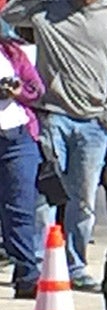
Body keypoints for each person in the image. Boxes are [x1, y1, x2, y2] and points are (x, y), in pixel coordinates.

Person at [2, 0, 107, 289]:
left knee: (83, 200)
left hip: (94, 123)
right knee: (45, 195)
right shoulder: (50, 11)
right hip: (52, 117)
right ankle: (38, 265)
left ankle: (76, 265)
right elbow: (9, 14)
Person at [0, 30, 43, 296]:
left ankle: (27, 274)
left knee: (20, 207)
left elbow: (36, 88)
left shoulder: (11, 51)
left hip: (17, 137)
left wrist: (17, 91)